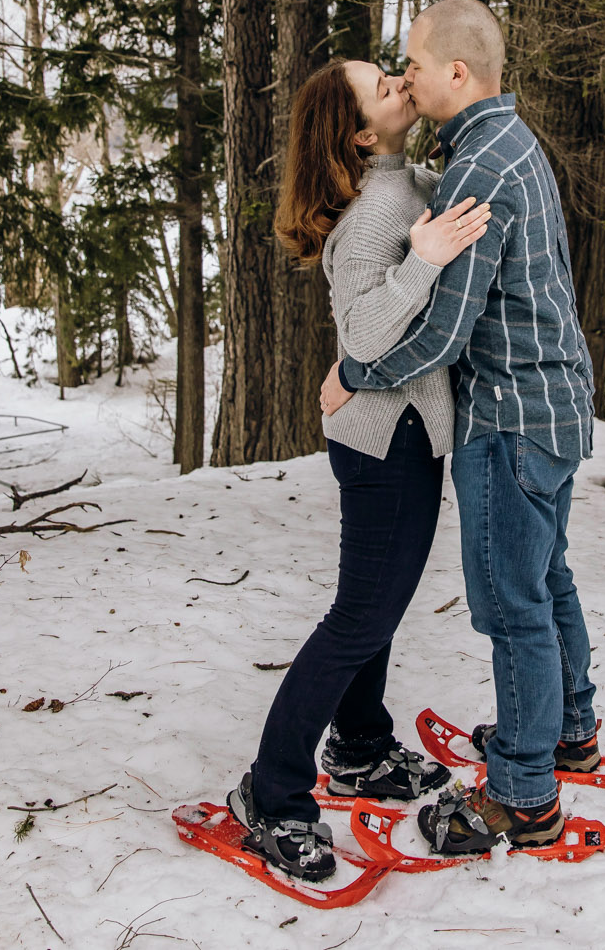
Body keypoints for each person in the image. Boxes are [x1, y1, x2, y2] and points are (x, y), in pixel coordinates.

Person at [320, 0, 602, 857]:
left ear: (455, 72)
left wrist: (354, 373)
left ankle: (522, 793)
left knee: (512, 604)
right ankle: (569, 732)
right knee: (546, 579)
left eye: (410, 60)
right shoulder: (506, 142)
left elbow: (442, 329)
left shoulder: (482, 166)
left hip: (510, 416)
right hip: (554, 403)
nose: (402, 73)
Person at [225, 58, 495, 882]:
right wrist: (421, 259)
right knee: (358, 617)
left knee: (375, 609)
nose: (400, 84)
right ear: (360, 131)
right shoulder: (377, 216)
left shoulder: (398, 180)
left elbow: (430, 186)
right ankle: (271, 790)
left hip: (401, 436)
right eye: (386, 86)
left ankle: (363, 747)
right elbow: (367, 336)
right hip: (384, 444)